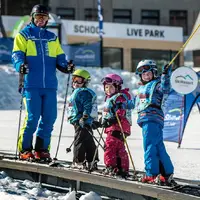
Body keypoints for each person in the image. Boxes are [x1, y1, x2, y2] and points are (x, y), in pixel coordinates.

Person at [12, 4, 75, 161]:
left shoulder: (52, 37)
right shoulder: (24, 35)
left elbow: (60, 58)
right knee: (32, 118)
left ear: (47, 20)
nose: (41, 21)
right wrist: (20, 66)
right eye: (38, 17)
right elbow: (17, 55)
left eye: (44, 18)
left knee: (49, 117)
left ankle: (41, 149)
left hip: (50, 85)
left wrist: (66, 66)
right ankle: (25, 149)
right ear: (32, 18)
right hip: (31, 84)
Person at [124, 60, 174, 184]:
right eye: (143, 74)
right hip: (151, 120)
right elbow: (133, 103)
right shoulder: (142, 89)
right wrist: (121, 103)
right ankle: (166, 172)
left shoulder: (156, 84)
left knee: (149, 146)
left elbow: (165, 88)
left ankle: (151, 173)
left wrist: (165, 75)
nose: (146, 75)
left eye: (148, 73)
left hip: (151, 118)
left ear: (154, 72)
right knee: (157, 146)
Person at [100, 73, 132, 178]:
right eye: (106, 87)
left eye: (111, 87)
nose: (108, 89)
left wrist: (112, 119)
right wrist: (101, 121)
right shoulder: (110, 98)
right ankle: (121, 168)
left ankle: (111, 166)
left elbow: (120, 110)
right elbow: (107, 113)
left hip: (118, 125)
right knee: (118, 148)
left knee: (110, 146)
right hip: (115, 126)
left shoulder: (120, 97)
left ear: (117, 86)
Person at [67, 69, 99, 170]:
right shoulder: (78, 91)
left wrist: (84, 117)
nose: (75, 83)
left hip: (82, 120)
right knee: (88, 140)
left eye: (79, 80)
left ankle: (79, 161)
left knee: (79, 140)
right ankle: (91, 160)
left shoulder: (83, 92)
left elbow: (87, 105)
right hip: (81, 120)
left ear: (85, 82)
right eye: (74, 80)